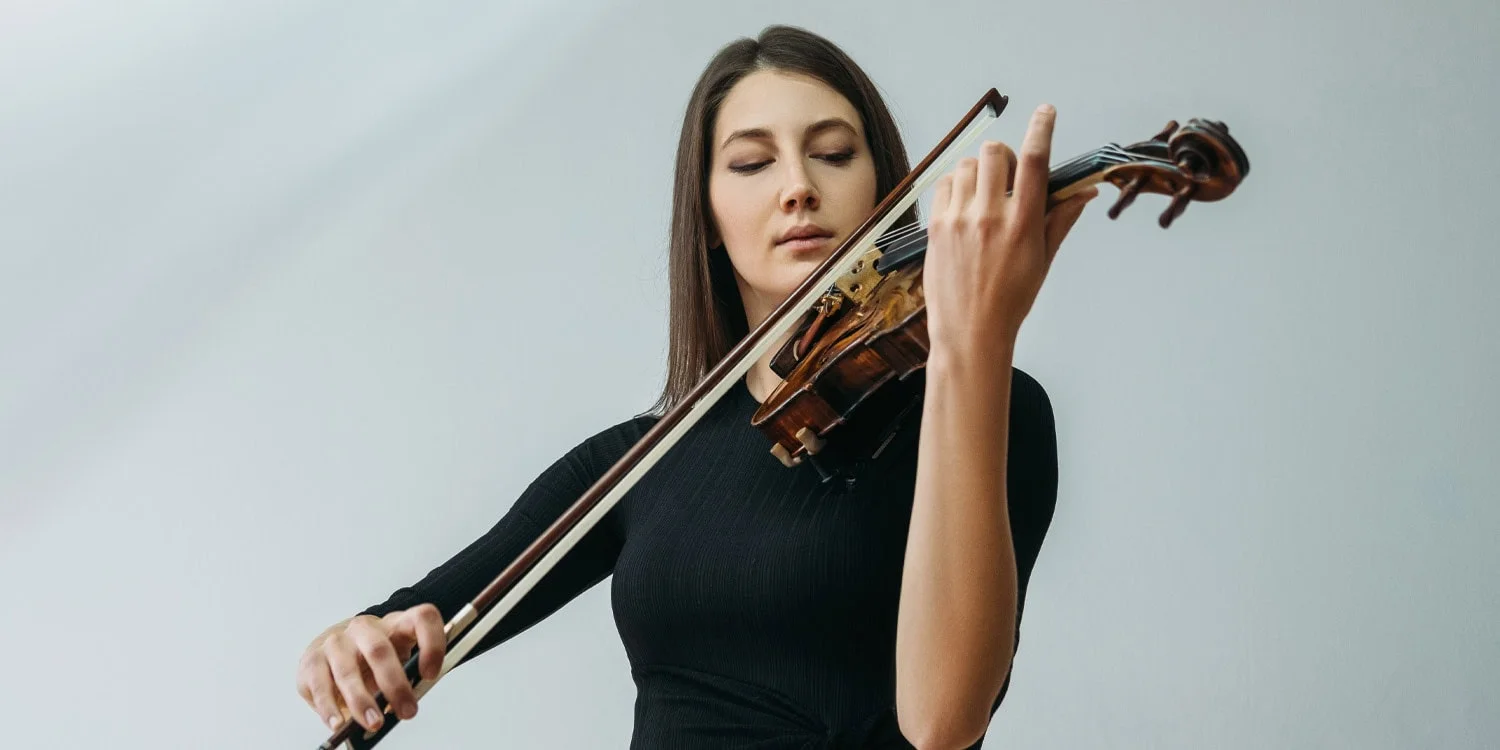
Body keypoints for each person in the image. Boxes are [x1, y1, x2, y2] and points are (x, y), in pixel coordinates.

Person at [295, 24, 1096, 750]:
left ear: (886, 190)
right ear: (708, 215)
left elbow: (942, 721)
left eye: (833, 153)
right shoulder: (642, 460)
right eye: (752, 163)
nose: (798, 186)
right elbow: (413, 620)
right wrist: (348, 644)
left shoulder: (991, 405)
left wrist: (971, 341)